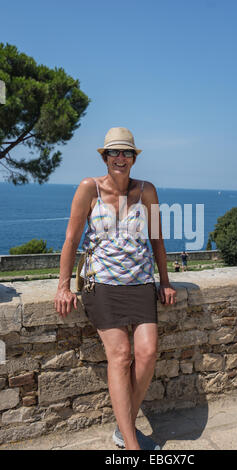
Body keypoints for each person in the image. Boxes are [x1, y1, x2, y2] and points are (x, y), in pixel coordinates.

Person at [54, 127, 177, 451]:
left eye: (126, 152)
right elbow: (71, 239)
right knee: (121, 355)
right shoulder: (89, 188)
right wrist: (64, 287)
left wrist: (164, 282)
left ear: (134, 158)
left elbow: (157, 240)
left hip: (140, 283)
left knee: (148, 353)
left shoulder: (146, 190)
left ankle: (124, 430)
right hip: (101, 285)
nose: (120, 158)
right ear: (105, 157)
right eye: (114, 153)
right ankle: (132, 447)